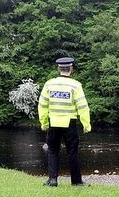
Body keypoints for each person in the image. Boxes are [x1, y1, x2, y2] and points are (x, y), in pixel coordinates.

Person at [37, 56, 91, 187]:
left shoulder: (49, 84)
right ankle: (76, 181)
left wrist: (44, 123)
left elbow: (42, 105)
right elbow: (82, 106)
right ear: (71, 69)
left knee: (52, 150)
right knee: (72, 152)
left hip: (53, 122)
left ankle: (52, 180)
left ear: (58, 69)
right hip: (70, 123)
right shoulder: (75, 85)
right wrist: (86, 124)